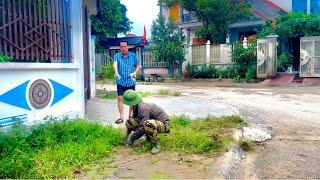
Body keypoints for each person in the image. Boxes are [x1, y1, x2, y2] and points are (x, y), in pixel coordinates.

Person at [122, 89, 170, 154]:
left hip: (163, 124)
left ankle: (156, 144)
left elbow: (143, 127)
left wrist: (133, 137)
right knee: (129, 122)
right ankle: (128, 137)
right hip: (153, 122)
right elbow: (135, 119)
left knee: (148, 124)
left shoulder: (143, 108)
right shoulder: (136, 106)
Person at [113, 40, 141, 124]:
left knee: (132, 99)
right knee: (120, 98)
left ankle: (130, 116)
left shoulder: (133, 56)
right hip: (121, 81)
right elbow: (115, 64)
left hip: (131, 81)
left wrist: (135, 73)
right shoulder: (117, 56)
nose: (123, 48)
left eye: (125, 46)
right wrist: (116, 72)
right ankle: (121, 117)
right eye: (121, 46)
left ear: (127, 47)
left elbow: (138, 66)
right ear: (120, 48)